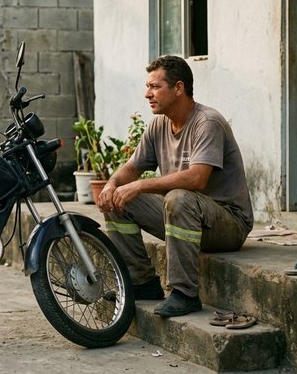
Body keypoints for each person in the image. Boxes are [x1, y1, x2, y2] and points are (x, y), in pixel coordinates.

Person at [97, 55, 253, 318]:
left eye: (155, 87)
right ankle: (141, 282)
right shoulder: (159, 125)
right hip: (187, 215)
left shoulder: (207, 122)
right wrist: (111, 185)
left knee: (178, 197)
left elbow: (197, 179)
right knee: (118, 199)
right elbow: (131, 168)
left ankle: (185, 293)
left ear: (178, 88)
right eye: (147, 86)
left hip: (228, 223)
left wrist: (139, 186)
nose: (147, 94)